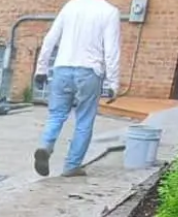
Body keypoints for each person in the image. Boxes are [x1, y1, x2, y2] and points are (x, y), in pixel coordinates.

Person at [32, 0, 121, 177]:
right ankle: (72, 166)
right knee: (84, 120)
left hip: (62, 68)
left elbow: (50, 38)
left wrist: (41, 69)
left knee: (56, 114)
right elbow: (111, 50)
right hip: (89, 72)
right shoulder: (110, 12)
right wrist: (113, 83)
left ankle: (45, 145)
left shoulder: (71, 6)